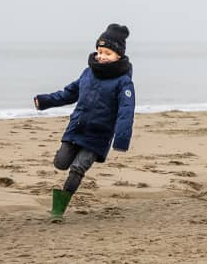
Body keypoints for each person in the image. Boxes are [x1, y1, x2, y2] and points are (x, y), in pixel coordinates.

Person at [33, 24, 135, 223]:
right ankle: (68, 168)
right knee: (60, 162)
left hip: (98, 135)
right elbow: (69, 93)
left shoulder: (123, 82)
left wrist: (121, 139)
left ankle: (59, 209)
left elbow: (126, 111)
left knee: (77, 169)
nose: (101, 56)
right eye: (99, 51)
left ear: (118, 55)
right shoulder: (88, 73)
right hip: (76, 128)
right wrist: (45, 101)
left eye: (107, 53)